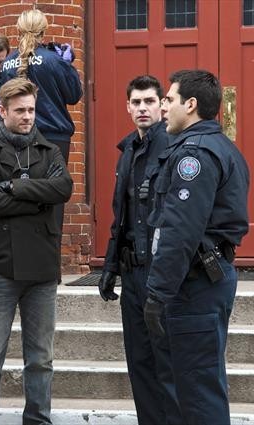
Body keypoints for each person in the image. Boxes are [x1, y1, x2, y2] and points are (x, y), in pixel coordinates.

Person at [0, 78, 73, 425]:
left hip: (41, 268)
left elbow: (63, 188)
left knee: (41, 357)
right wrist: (36, 200)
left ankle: (38, 419)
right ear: (2, 111)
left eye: (32, 110)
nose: (28, 117)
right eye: (20, 110)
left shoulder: (49, 149)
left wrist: (15, 187)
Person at [143, 69, 250, 424]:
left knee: (198, 393)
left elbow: (179, 231)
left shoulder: (196, 156)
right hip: (199, 282)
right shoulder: (220, 147)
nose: (163, 108)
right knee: (193, 385)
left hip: (195, 286)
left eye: (169, 100)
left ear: (190, 105)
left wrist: (157, 293)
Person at [98, 75, 182, 425]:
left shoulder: (173, 149)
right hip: (132, 273)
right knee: (139, 362)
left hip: (159, 273)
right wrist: (110, 266)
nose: (143, 108)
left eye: (150, 101)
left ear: (162, 105)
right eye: (137, 102)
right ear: (128, 107)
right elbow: (123, 217)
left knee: (167, 362)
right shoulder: (128, 152)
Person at [1, 8, 82, 163]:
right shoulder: (53, 60)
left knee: (23, 186)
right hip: (54, 137)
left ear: (19, 31)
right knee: (53, 186)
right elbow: (74, 96)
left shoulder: (7, 64)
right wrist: (67, 66)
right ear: (43, 32)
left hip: (17, 137)